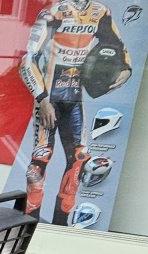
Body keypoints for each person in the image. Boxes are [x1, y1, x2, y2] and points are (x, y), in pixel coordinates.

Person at [18, 0, 130, 225]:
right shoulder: (54, 12)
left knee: (79, 158)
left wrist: (125, 70)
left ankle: (61, 225)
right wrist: (43, 98)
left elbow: (118, 47)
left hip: (74, 98)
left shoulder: (100, 12)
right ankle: (28, 223)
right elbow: (26, 60)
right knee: (40, 157)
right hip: (49, 98)